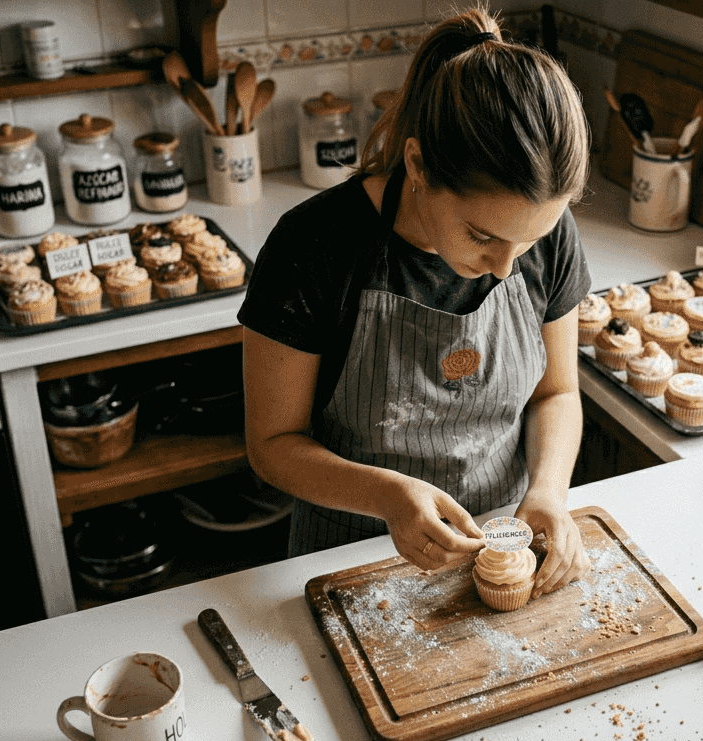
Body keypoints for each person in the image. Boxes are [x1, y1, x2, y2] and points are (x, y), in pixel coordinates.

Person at [238, 6, 593, 598]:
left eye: (528, 241)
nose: (507, 267)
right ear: (418, 166)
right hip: (347, 557)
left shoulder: (549, 233)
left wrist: (549, 492)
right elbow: (272, 446)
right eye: (482, 236)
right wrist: (386, 495)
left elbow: (557, 393)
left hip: (500, 550)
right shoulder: (315, 248)